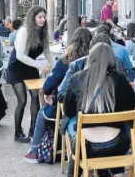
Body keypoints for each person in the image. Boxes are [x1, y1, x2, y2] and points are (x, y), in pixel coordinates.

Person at [62, 42, 135, 177]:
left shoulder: (76, 79)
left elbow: (68, 111)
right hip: (117, 145)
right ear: (111, 60)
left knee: (74, 136)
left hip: (86, 146)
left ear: (90, 57)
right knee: (125, 126)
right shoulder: (119, 81)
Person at [23, 27, 92, 163]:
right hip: (89, 106)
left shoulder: (66, 61)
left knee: (42, 113)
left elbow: (49, 84)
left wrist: (48, 93)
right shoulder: (94, 61)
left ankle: (35, 150)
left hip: (68, 107)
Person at [6, 6, 55, 142]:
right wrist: (40, 65)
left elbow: (47, 52)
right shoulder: (24, 31)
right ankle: (18, 132)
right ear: (32, 18)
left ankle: (33, 129)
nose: (43, 20)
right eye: (40, 17)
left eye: (44, 17)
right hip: (17, 67)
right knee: (22, 100)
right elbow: (21, 55)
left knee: (35, 95)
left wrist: (57, 68)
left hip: (30, 67)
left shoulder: (43, 32)